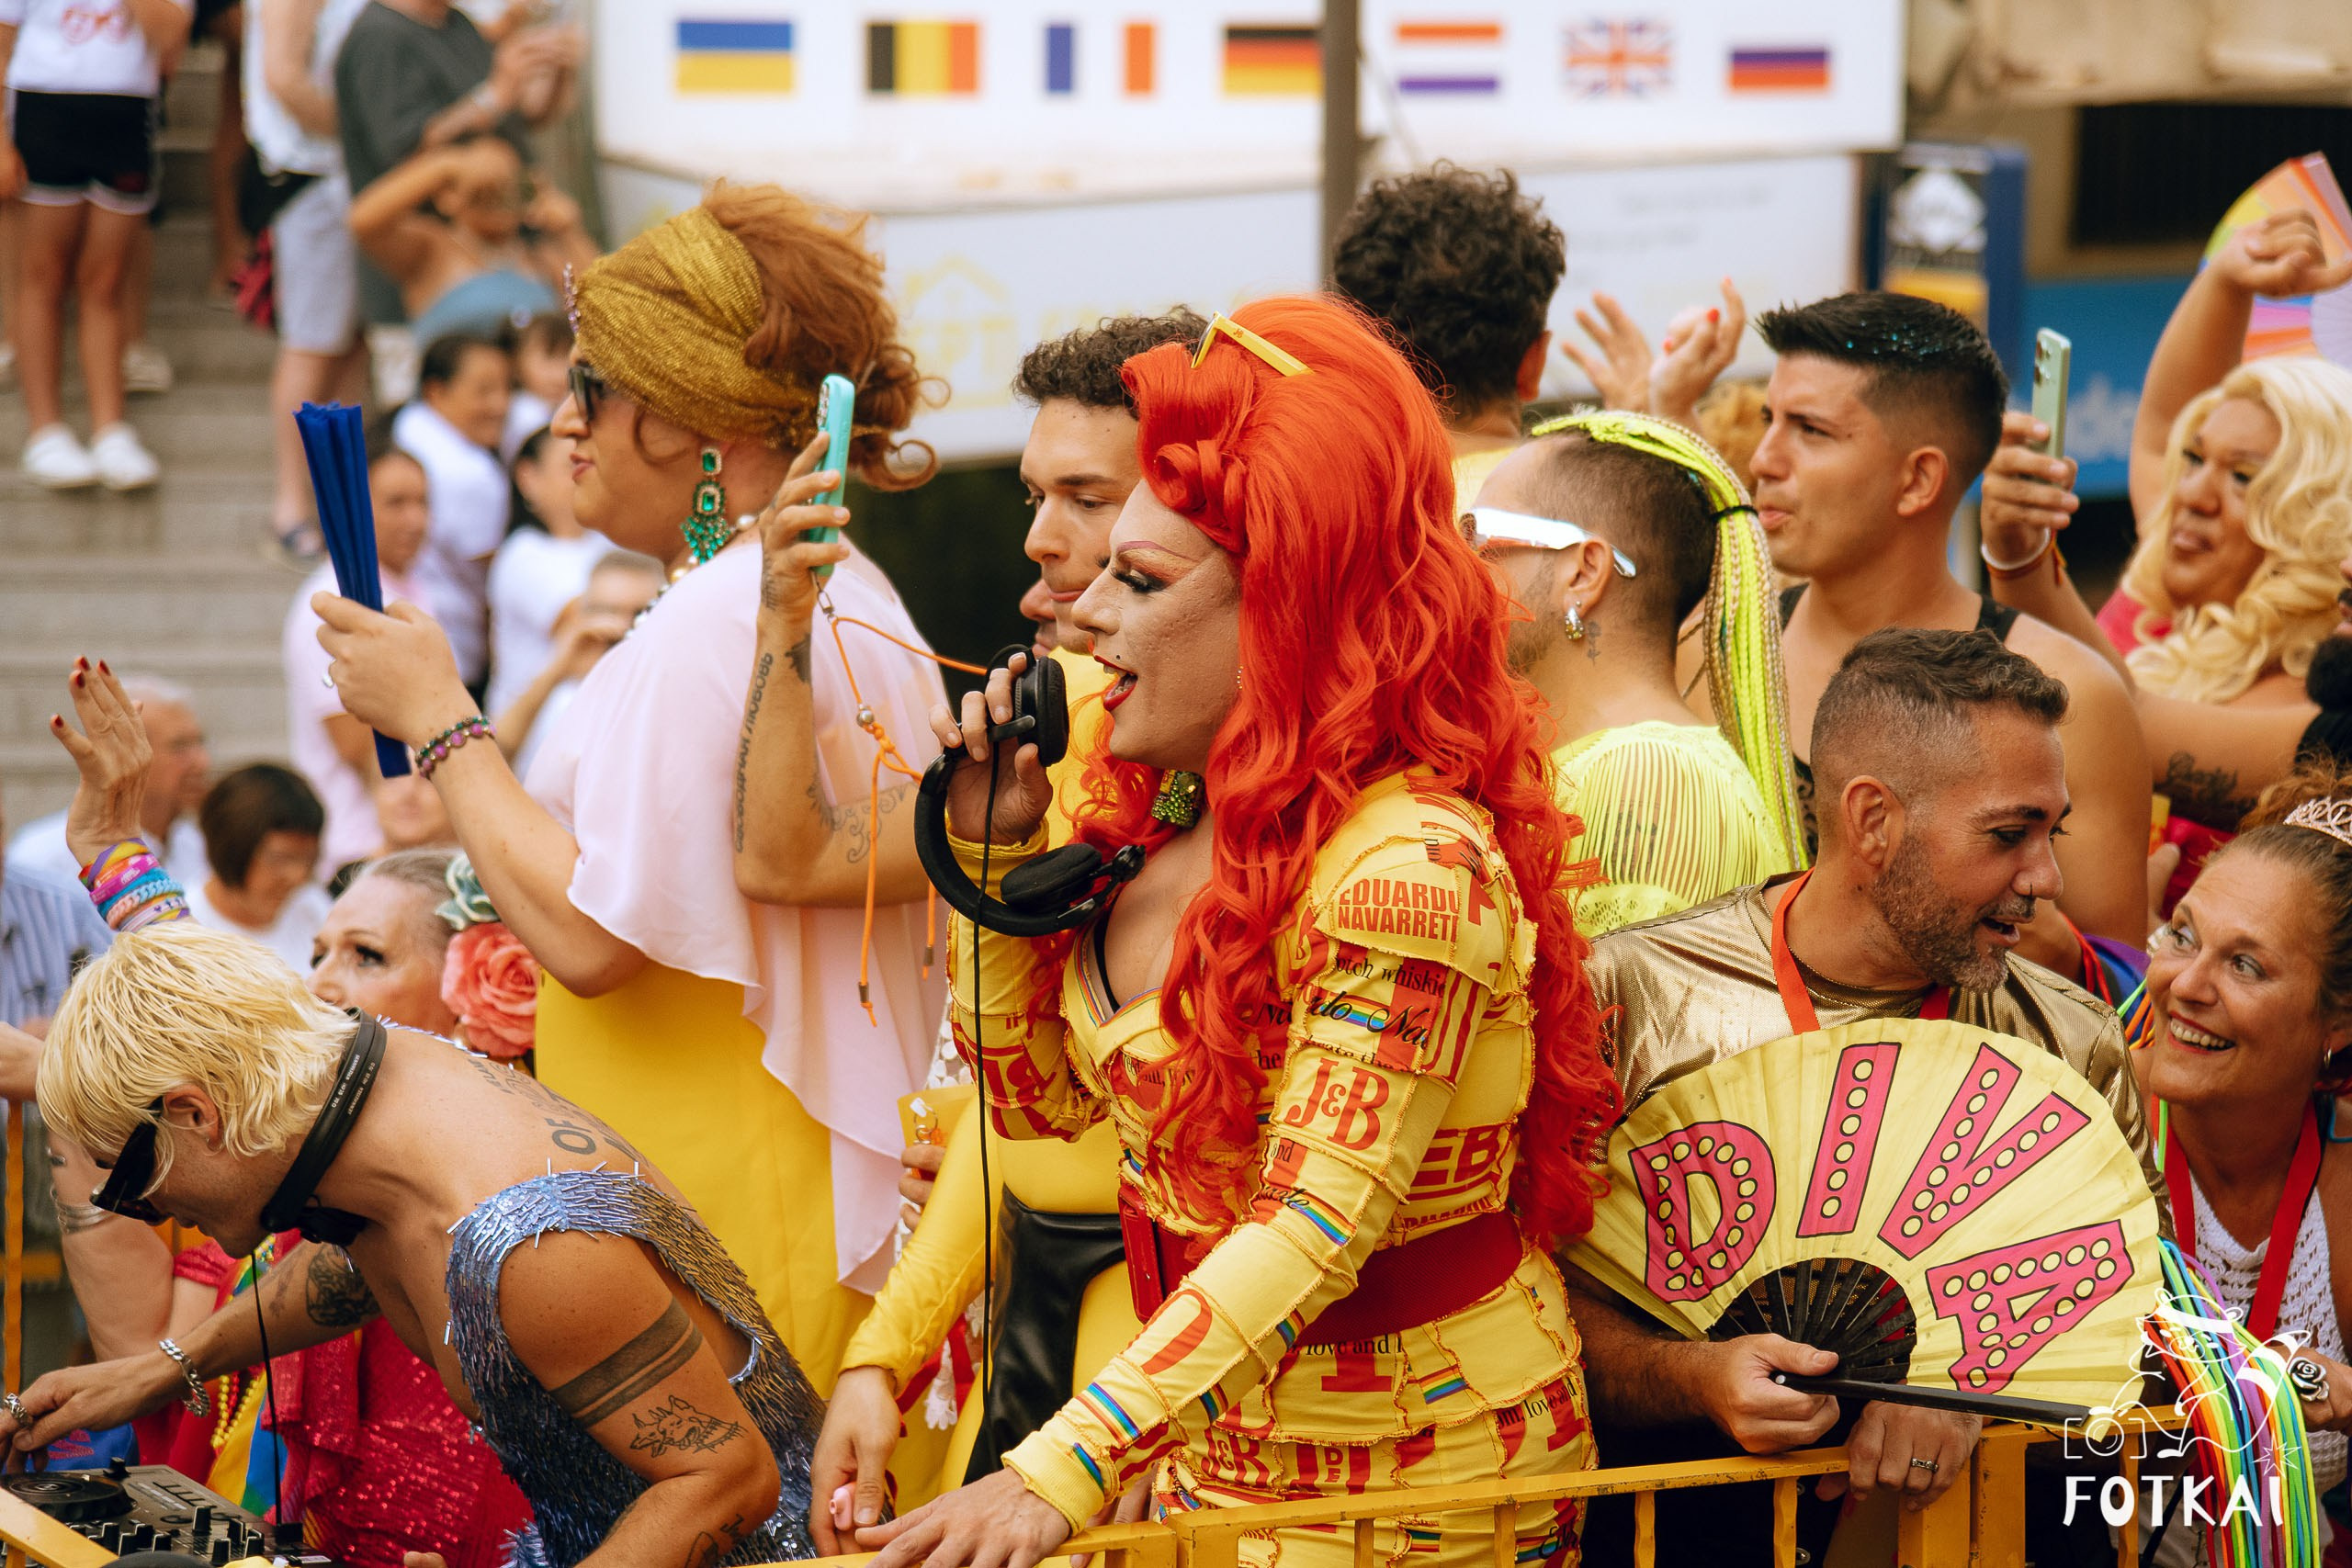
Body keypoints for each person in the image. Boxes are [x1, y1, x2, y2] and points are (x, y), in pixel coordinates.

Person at [856, 296, 1622, 1568]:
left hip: (1420, 1491)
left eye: (1139, 578)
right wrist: (993, 854)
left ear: (1291, 605)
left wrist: (1054, 1468)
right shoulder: (1158, 812)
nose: (1082, 613)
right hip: (1214, 1453)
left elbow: (1310, 1228)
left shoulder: (1409, 867)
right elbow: (1038, 1104)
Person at [312, 184, 945, 1393]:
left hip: (726, 1184)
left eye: (593, 386)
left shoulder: (723, 612)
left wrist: (439, 719)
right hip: (747, 1167)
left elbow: (592, 936)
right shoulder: (817, 584)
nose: (563, 425)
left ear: (705, 417)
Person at [7, 660, 826, 1568]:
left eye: (132, 1178)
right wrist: (163, 1368)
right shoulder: (326, 1084)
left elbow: (726, 1482)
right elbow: (345, 1255)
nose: (148, 1212)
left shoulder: (529, 1244)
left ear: (199, 1115)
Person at [1568, 626, 2163, 1565]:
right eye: (2009, 834)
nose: (2045, 880)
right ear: (1873, 820)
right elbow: (1538, 1304)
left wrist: (1977, 1397)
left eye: (2053, 832)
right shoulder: (1630, 999)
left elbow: (2132, 1340)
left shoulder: (2075, 1042)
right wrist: (1687, 1375)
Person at [788, 311, 1204, 1538]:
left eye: (1091, 499)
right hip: (1035, 1312)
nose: (1043, 539)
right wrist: (886, 1349)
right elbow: (1016, 1105)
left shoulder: (1312, 810)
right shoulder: (1056, 724)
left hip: (1179, 1374)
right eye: (1038, 493)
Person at [35, 837, 533, 1567]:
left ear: (479, 1000)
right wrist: (115, 860)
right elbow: (209, 1036)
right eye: (318, 953)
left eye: (366, 955)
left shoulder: (519, 1218)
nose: (322, 986)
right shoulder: (280, 1189)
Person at [1740, 291, 2152, 974]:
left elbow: (2120, 995)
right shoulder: (1715, 650)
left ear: (1919, 478)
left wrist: (2022, 926)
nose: (1764, 459)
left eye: (1809, 430)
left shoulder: (2072, 696)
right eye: (1769, 420)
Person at [2132, 757, 2352, 1561]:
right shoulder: (2084, 1133)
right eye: (2182, 934)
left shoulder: (2345, 1184)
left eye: (2245, 963)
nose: (2184, 983)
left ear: (2337, 1020)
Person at [1468, 413, 1804, 935]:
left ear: (1583, 572)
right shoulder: (1627, 763)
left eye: (1478, 537)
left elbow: (1618, 1014)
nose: (1454, 566)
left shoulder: (1650, 778)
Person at [332, 0, 579, 375]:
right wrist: (490, 101)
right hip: (422, 276)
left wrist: (557, 69)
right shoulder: (380, 36)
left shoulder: (458, 24)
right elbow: (401, 150)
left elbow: (520, 116)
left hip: (514, 262)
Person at [0, 0, 187, 489]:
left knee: (105, 279)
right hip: (44, 105)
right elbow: (2, 38)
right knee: (42, 274)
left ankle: (110, 429)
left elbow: (171, 42)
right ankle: (46, 429)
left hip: (125, 113)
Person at [246, 0, 372, 561]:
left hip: (337, 179)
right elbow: (284, 79)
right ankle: (292, 506)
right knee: (313, 347)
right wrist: (369, 137)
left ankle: (333, 505)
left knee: (346, 349)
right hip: (311, 177)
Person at [284, 438, 433, 874]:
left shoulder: (411, 586)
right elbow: (354, 741)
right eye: (396, 503)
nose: (416, 519)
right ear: (353, 509)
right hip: (357, 848)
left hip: (404, 840)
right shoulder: (328, 600)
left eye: (423, 502)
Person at [346, 134, 590, 350]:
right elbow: (362, 222)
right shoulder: (430, 251)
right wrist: (447, 165)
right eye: (483, 190)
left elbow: (605, 310)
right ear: (446, 198)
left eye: (509, 187)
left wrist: (570, 232)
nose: (497, 196)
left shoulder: (543, 260)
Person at [9, 675, 211, 888]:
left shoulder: (201, 849)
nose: (203, 762)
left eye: (200, 743)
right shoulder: (41, 858)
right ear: (122, 755)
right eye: (180, 746)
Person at [393, 330, 512, 689]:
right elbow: (493, 581)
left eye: (507, 388)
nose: (501, 405)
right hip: (451, 654)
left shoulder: (407, 422)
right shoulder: (474, 474)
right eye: (484, 391)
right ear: (437, 391)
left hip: (402, 630)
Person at [496, 547, 662, 777]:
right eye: (606, 612)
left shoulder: (666, 693)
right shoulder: (559, 697)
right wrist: (558, 668)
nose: (621, 628)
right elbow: (490, 761)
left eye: (639, 614)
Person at [484, 425, 608, 717]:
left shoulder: (609, 543)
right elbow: (591, 635)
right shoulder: (522, 553)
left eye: (589, 463)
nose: (583, 474)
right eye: (572, 464)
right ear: (528, 478)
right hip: (531, 733)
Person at [182, 764, 332, 971]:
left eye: (308, 859)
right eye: (280, 859)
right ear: (232, 849)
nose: (298, 876)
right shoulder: (185, 930)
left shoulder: (312, 907)